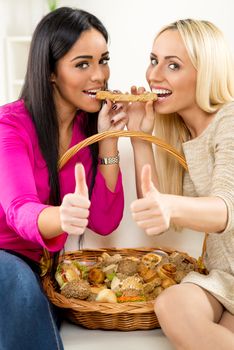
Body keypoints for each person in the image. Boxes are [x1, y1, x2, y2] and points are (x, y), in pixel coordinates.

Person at [0, 7, 127, 350]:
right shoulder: (10, 125)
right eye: (83, 64)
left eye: (104, 60)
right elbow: (18, 208)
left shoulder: (89, 130)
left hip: (40, 275)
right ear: (51, 72)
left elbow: (103, 221)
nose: (99, 75)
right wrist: (60, 216)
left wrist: (108, 139)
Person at [128, 19, 234, 349]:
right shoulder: (185, 136)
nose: (154, 75)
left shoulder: (230, 119)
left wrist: (169, 206)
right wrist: (140, 138)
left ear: (206, 73)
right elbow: (156, 218)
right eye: (154, 59)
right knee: (172, 305)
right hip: (225, 278)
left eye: (173, 65)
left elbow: (225, 209)